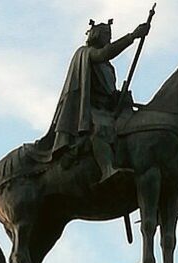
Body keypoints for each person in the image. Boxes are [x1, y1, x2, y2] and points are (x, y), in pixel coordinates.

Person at [50, 19, 150, 183]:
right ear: (96, 36)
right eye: (106, 35)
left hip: (107, 108)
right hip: (90, 109)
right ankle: (107, 168)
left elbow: (109, 91)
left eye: (110, 36)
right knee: (100, 129)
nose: (109, 39)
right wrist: (132, 36)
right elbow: (104, 53)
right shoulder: (86, 52)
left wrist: (120, 97)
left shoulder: (109, 68)